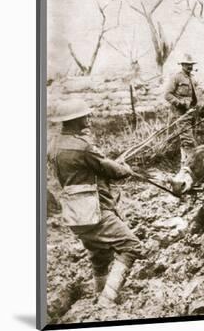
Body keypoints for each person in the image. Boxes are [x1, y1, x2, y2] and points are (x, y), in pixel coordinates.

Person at [48, 99, 143, 307]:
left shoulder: (54, 144)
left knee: (99, 255)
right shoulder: (83, 147)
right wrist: (124, 169)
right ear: (74, 120)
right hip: (95, 210)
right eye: (84, 116)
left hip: (75, 214)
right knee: (132, 246)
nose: (88, 118)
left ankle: (98, 293)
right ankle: (106, 301)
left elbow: (85, 169)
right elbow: (112, 171)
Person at [164, 54, 200, 166]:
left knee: (189, 139)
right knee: (188, 141)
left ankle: (183, 163)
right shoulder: (176, 77)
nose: (190, 66)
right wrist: (179, 103)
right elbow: (167, 95)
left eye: (191, 64)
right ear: (182, 65)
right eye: (187, 64)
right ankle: (192, 167)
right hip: (181, 113)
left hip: (192, 113)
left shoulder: (193, 78)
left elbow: (196, 94)